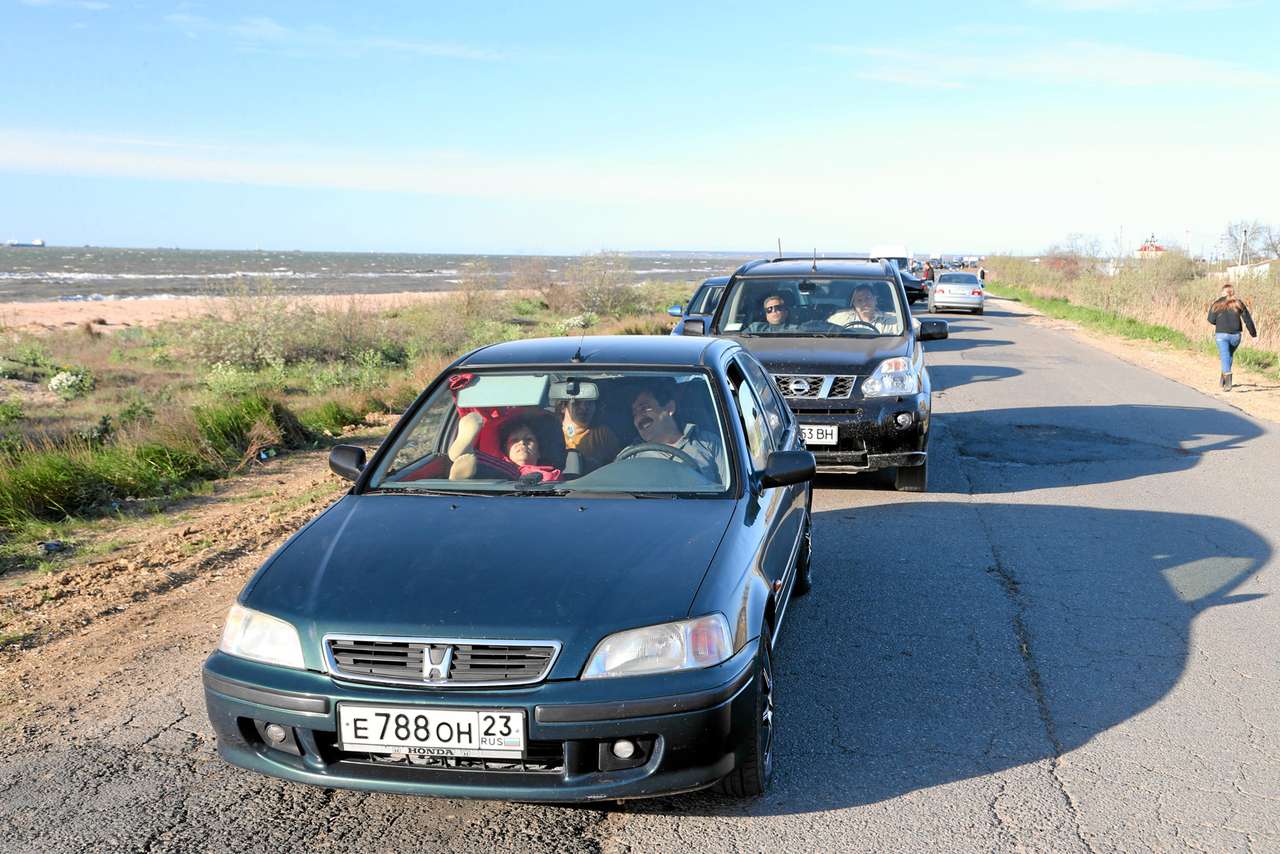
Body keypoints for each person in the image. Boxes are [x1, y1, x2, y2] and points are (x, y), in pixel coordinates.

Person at [619, 381, 723, 481]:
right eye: (634, 414)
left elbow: (732, 491)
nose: (638, 418)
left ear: (669, 408)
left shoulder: (708, 442)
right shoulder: (630, 455)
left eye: (644, 408)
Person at [1207, 284, 1257, 391]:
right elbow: (1247, 319)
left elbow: (1211, 319)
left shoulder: (1217, 303)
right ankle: (1223, 379)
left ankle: (1228, 382)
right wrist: (1254, 335)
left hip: (1221, 335)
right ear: (1232, 292)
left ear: (1223, 292)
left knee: (1225, 355)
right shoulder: (1238, 303)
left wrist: (1219, 322)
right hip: (1236, 336)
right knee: (1228, 355)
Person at [557, 396, 620, 473]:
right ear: (563, 407)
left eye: (589, 402)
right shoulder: (552, 434)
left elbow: (618, 468)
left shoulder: (603, 435)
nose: (584, 407)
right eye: (577, 401)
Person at [498, 416, 563, 482]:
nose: (522, 443)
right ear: (506, 450)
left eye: (529, 439)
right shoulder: (496, 475)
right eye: (515, 440)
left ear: (539, 452)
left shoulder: (553, 478)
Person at [827, 284, 901, 334]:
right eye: (859, 300)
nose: (864, 303)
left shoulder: (893, 321)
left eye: (867, 298)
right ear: (854, 304)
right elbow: (828, 333)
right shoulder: (840, 319)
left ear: (875, 300)